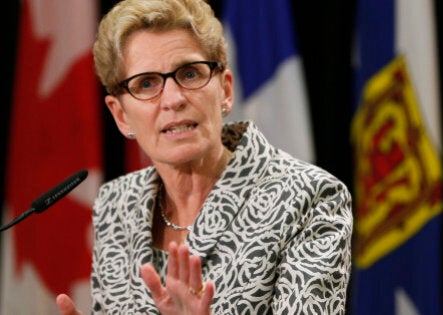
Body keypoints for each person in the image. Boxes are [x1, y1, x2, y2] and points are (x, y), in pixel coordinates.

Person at [55, 0, 353, 313]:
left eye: (189, 73)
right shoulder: (116, 205)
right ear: (121, 116)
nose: (173, 99)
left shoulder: (309, 199)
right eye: (146, 83)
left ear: (224, 90)